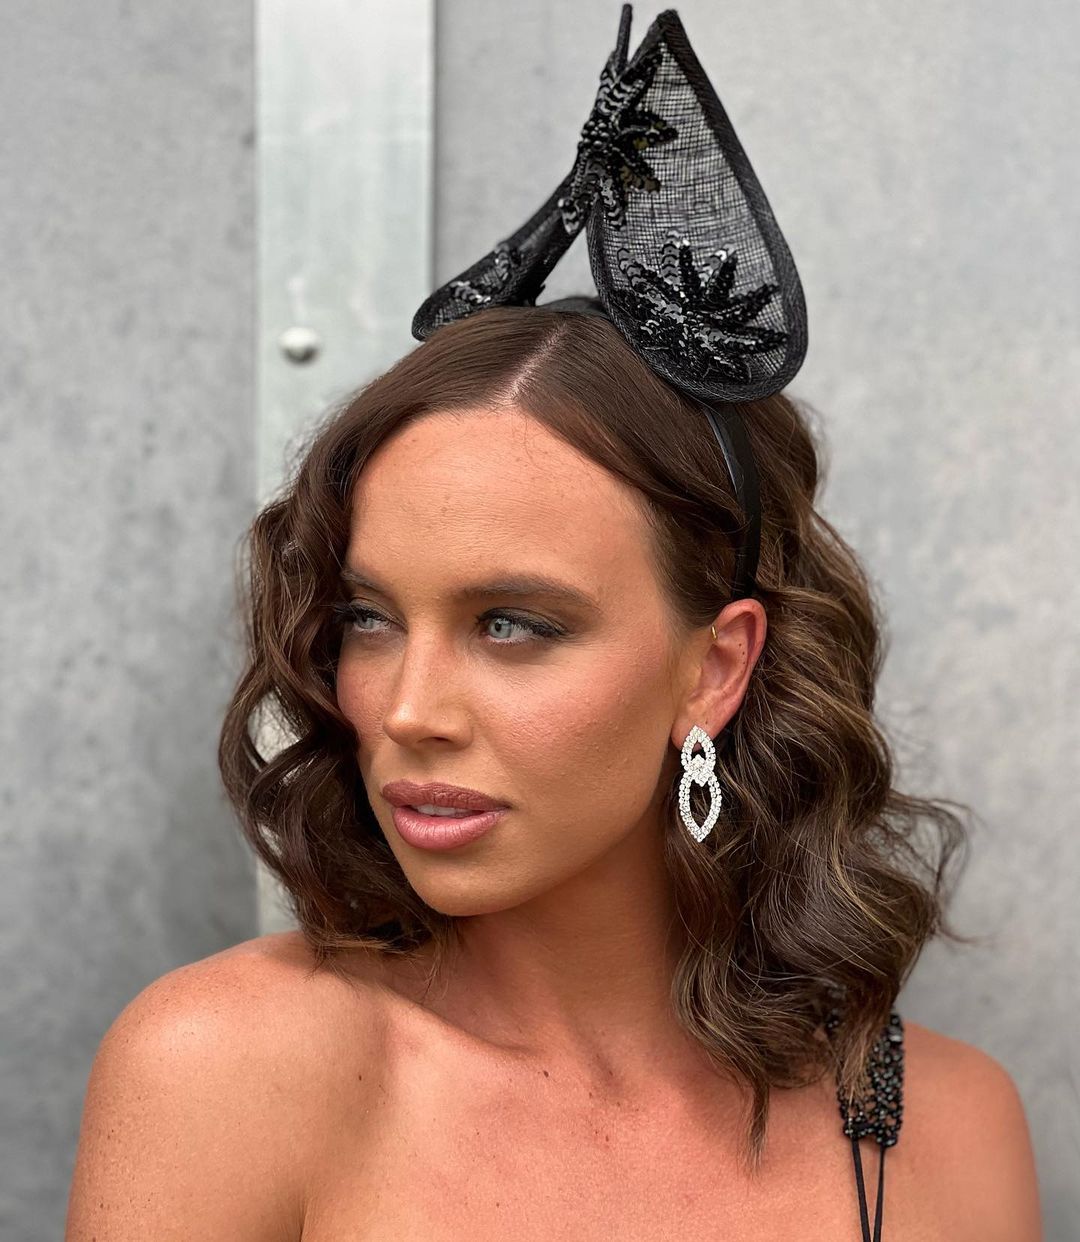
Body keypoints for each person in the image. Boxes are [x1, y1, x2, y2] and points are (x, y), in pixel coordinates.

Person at [65, 8, 1042, 1241]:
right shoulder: (230, 1072)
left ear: (716, 667)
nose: (409, 709)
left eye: (513, 625)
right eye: (368, 618)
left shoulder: (934, 1130)